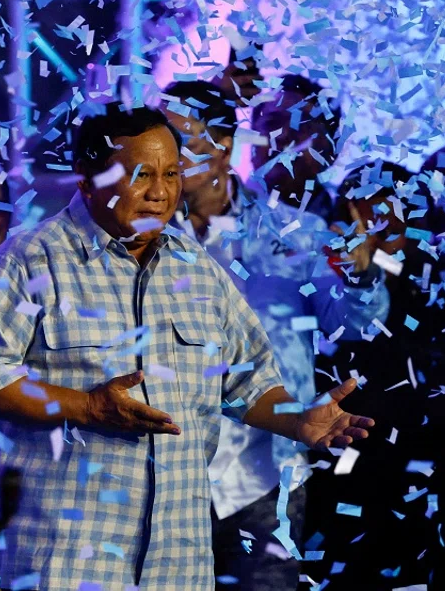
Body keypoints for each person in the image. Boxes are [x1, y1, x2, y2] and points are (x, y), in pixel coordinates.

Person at [0, 104, 376, 590]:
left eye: (171, 173)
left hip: (178, 562)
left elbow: (246, 382)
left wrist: (297, 418)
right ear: (87, 179)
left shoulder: (199, 269)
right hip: (64, 559)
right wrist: (85, 407)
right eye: (140, 174)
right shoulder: (22, 263)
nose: (160, 192)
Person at [162, 81, 390, 590]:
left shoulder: (296, 232)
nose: (169, 163)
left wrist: (361, 273)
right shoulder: (142, 238)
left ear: (223, 146)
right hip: (167, 473)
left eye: (184, 146)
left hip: (266, 472)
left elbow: (354, 323)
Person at [251, 75, 342, 220]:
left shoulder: (348, 234)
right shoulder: (214, 216)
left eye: (302, 126)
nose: (282, 136)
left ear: (332, 152)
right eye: (272, 123)